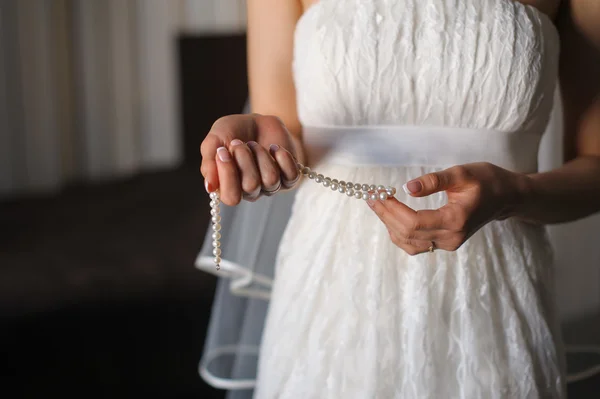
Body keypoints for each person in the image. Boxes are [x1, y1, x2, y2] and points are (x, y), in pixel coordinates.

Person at [197, 0, 600, 397]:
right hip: (333, 297)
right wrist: (259, 148)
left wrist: (516, 194)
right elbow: (287, 141)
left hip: (497, 305)